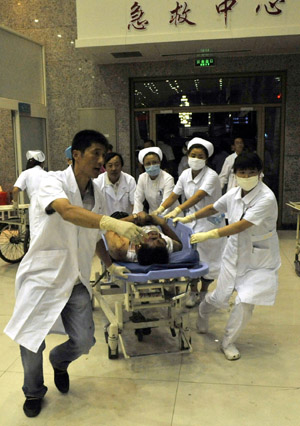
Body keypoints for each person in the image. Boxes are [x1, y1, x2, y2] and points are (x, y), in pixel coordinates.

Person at [4, 130, 145, 418]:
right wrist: (112, 223)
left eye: (103, 155)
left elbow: (94, 235)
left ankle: (59, 360)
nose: (101, 161)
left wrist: (110, 264)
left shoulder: (98, 193)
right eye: (95, 153)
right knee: (32, 338)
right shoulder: (50, 182)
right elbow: (67, 212)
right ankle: (33, 392)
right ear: (76, 155)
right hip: (43, 275)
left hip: (76, 276)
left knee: (84, 341)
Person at [182, 152, 280, 361]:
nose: (246, 176)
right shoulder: (235, 193)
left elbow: (241, 225)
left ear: (259, 173)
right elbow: (213, 207)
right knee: (220, 297)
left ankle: (228, 342)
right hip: (233, 252)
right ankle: (203, 311)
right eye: (242, 172)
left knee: (245, 301)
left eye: (251, 172)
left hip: (260, 259)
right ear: (235, 174)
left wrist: (209, 234)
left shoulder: (266, 198)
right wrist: (189, 216)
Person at [152, 137, 225, 308]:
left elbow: (198, 196)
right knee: (193, 256)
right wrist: (161, 209)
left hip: (209, 222)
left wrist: (177, 210)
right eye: (193, 155)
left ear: (206, 159)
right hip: (191, 221)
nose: (196, 159)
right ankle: (193, 290)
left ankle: (204, 291)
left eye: (200, 156)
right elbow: (174, 194)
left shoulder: (211, 176)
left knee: (209, 260)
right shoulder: (185, 174)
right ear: (187, 155)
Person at [105, 211, 182, 264]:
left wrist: (134, 218)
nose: (157, 235)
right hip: (147, 223)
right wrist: (162, 223)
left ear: (138, 246)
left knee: (118, 215)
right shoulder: (163, 246)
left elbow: (109, 227)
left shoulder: (120, 246)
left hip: (124, 226)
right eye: (161, 238)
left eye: (153, 238)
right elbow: (179, 245)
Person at [133, 147, 180, 215]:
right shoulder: (142, 178)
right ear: (144, 165)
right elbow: (138, 199)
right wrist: (137, 216)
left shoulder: (168, 178)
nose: (152, 166)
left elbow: (166, 203)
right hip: (153, 216)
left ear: (160, 163)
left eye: (154, 162)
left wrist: (156, 218)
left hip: (171, 216)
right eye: (148, 164)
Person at [12, 150, 47, 241]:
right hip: (49, 203)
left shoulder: (26, 173)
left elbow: (15, 190)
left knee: (35, 233)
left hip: (36, 205)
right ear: (42, 163)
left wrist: (15, 203)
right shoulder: (47, 174)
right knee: (47, 232)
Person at [93, 152, 136, 216]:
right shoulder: (97, 182)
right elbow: (96, 207)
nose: (114, 168)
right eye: (110, 165)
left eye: (117, 165)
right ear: (105, 167)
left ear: (121, 166)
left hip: (127, 221)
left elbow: (134, 205)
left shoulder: (129, 180)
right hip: (106, 222)